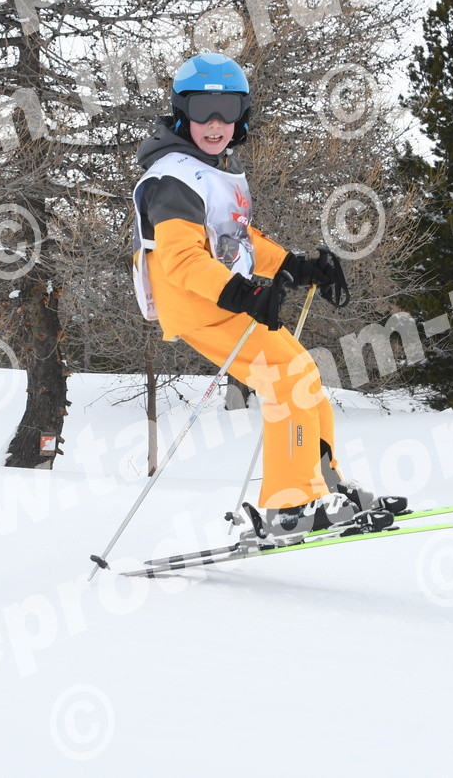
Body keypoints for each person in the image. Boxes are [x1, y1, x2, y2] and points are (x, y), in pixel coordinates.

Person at [131, 52, 406, 545]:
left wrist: (295, 266)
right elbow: (181, 259)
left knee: (305, 375)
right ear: (181, 111)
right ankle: (289, 506)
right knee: (288, 378)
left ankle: (324, 487)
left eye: (229, 110)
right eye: (203, 110)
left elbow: (238, 238)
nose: (216, 124)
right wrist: (242, 292)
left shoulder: (218, 168)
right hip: (197, 301)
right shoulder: (173, 179)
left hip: (221, 298)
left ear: (243, 114)